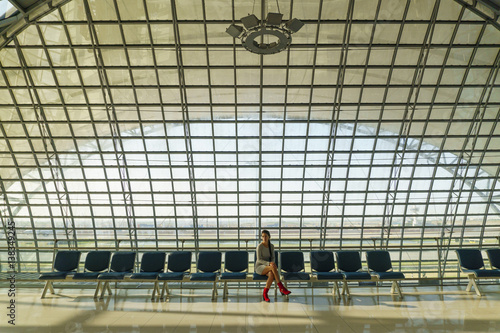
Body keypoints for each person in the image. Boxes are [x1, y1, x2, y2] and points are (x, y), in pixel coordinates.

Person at [255, 229, 291, 302]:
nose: (264, 238)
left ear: (269, 237)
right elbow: (259, 260)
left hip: (269, 267)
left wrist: (273, 263)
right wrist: (269, 264)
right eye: (263, 236)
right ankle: (281, 288)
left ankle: (265, 294)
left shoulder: (271, 246)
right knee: (273, 268)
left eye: (266, 236)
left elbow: (273, 258)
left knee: (271, 274)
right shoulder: (259, 246)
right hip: (259, 267)